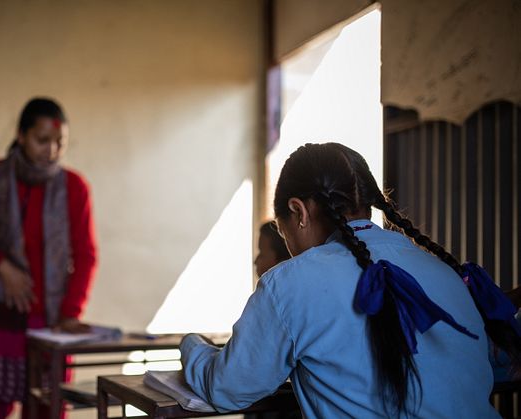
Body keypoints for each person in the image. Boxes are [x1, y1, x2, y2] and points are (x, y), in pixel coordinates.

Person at [180, 143, 521, 417]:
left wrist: (192, 346)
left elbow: (228, 389)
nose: (289, 246)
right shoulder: (444, 272)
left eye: (283, 232)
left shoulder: (290, 284)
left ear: (298, 211)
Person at [0, 97, 97, 419]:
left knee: (47, 409)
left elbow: (86, 256)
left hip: (50, 325)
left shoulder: (74, 188)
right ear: (21, 135)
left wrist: (70, 313)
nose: (52, 151)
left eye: (60, 143)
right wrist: (3, 267)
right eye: (42, 140)